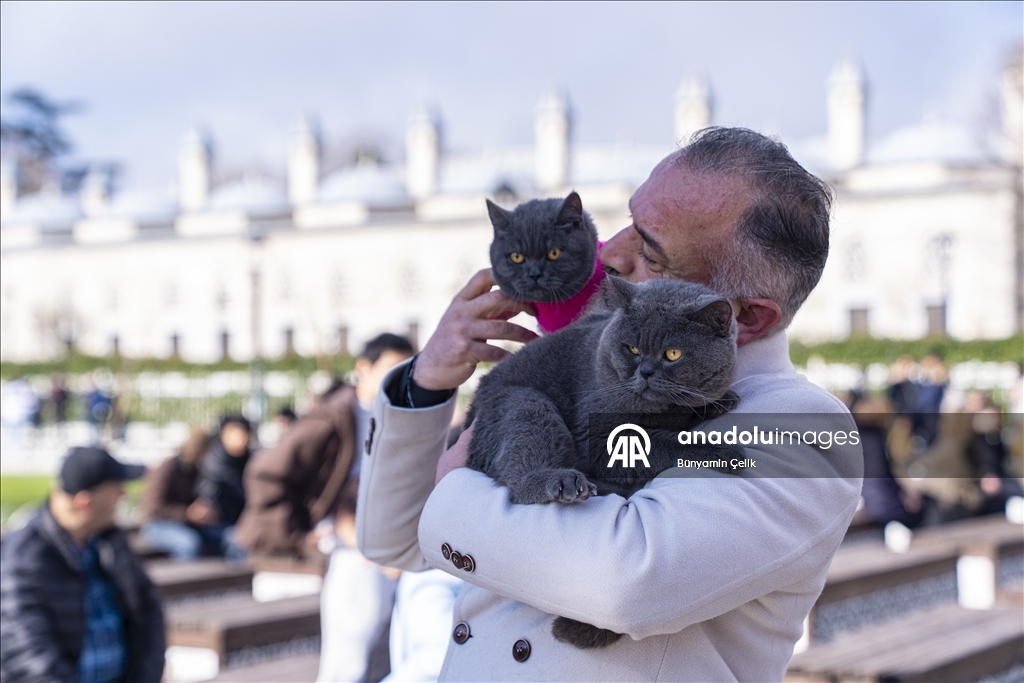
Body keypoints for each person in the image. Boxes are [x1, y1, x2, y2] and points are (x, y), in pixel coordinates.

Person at [356, 127, 862, 681]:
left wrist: (457, 481)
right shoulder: (589, 352)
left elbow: (625, 581)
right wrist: (427, 382)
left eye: (650, 248)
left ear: (746, 317)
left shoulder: (807, 435)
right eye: (629, 221)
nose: (609, 253)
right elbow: (397, 540)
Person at [0, 446, 165, 682]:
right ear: (85, 503)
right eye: (116, 488)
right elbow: (27, 656)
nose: (123, 495)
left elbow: (149, 612)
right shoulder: (24, 558)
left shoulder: (110, 540)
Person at [307, 333, 415, 683]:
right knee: (348, 661)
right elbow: (329, 492)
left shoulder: (403, 414)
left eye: (406, 369)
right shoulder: (335, 415)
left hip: (394, 555)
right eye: (391, 368)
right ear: (363, 369)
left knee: (385, 659)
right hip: (357, 555)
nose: (399, 377)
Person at [138, 426, 217, 560]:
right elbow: (152, 508)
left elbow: (198, 498)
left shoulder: (197, 469)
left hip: (184, 522)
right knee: (188, 544)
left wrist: (205, 510)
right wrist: (187, 513)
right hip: (157, 524)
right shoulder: (166, 469)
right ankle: (187, 579)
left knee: (227, 537)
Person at [192, 414, 252, 559]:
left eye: (243, 433)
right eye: (233, 433)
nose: (239, 438)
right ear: (223, 434)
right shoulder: (214, 461)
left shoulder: (250, 458)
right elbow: (209, 497)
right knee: (237, 542)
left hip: (238, 520)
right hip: (217, 522)